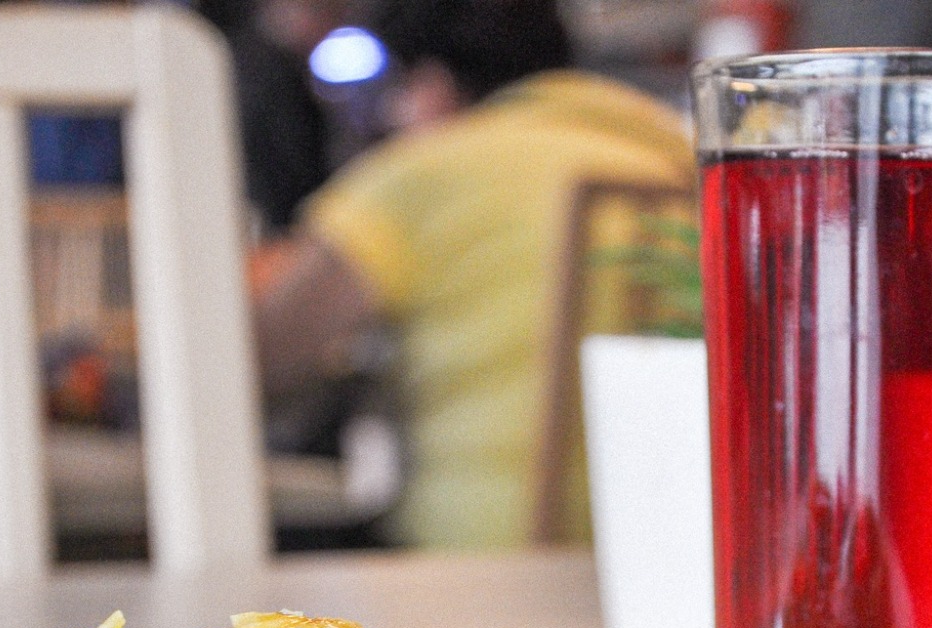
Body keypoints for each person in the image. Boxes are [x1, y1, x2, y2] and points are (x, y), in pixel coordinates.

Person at [252, 0, 696, 550]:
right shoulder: (674, 160)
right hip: (658, 549)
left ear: (433, 85)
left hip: (470, 551)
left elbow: (262, 356)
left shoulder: (425, 172)